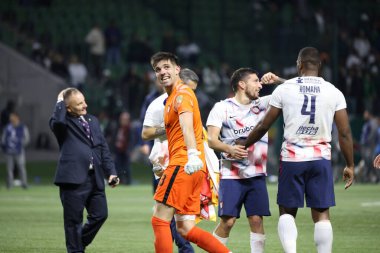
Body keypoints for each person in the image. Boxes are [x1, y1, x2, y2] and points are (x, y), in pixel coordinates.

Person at [243, 47, 355, 253]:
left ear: (299, 64)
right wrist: (350, 164)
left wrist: (243, 145)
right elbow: (345, 132)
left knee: (287, 211)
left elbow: (263, 126)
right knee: (321, 213)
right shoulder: (333, 91)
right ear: (319, 66)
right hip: (320, 159)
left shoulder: (285, 89)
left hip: (292, 159)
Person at [149, 52, 231, 253]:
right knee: (185, 228)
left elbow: (186, 127)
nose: (162, 72)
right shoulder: (171, 99)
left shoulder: (181, 94)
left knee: (159, 220)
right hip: (189, 167)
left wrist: (192, 154)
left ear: (178, 69)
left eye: (166, 67)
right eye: (158, 69)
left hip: (184, 163)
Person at [206, 68, 284, 252]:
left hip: (256, 175)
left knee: (256, 220)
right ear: (242, 84)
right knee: (228, 221)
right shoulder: (222, 107)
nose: (260, 85)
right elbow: (211, 140)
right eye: (256, 81)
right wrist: (229, 148)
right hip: (231, 175)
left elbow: (295, 90)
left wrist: (278, 79)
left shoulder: (263, 104)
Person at [49, 87, 119, 253]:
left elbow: (102, 148)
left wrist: (112, 172)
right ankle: (75, 249)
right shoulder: (62, 123)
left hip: (95, 177)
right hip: (72, 180)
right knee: (73, 222)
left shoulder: (93, 120)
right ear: (68, 108)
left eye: (84, 101)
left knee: (100, 215)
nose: (85, 105)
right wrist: (59, 101)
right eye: (79, 104)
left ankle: (77, 245)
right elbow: (57, 121)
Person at [142, 68, 200, 253]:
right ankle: (185, 249)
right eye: (188, 88)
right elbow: (146, 133)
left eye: (193, 90)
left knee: (175, 220)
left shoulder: (187, 100)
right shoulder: (158, 104)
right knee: (165, 218)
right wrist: (169, 128)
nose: (190, 93)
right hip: (166, 163)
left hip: (186, 164)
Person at [1, 112, 30, 189]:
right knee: (9, 169)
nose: (11, 118)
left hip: (19, 151)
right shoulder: (7, 127)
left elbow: (26, 138)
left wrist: (21, 145)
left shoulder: (22, 127)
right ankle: (10, 185)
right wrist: (4, 147)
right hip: (9, 151)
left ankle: (24, 183)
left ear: (17, 117)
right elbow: (3, 139)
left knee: (21, 167)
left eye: (12, 117)